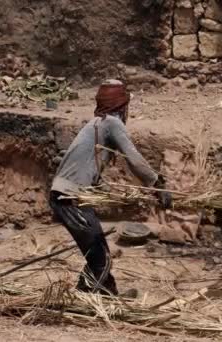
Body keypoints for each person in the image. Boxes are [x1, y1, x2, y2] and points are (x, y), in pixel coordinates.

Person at [49, 79, 172, 296]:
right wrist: (156, 184)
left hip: (72, 196)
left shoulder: (95, 124)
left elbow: (88, 170)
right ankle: (90, 299)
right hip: (71, 199)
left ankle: (105, 297)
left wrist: (113, 193)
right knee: (100, 257)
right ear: (122, 107)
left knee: (98, 252)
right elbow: (134, 159)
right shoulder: (112, 124)